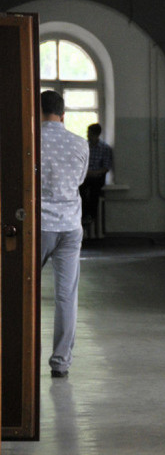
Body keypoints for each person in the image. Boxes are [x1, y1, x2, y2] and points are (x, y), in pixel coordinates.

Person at [40, 90, 90, 378]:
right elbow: (79, 180)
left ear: (38, 112)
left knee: (23, 291)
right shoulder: (80, 143)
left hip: (40, 227)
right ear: (63, 114)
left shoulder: (31, 142)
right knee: (66, 296)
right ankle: (60, 363)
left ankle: (19, 356)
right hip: (70, 226)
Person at [81, 123, 113, 239]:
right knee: (80, 190)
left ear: (96, 135)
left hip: (97, 176)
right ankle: (84, 215)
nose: (87, 136)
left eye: (89, 134)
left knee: (94, 192)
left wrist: (94, 173)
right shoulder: (85, 146)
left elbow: (106, 167)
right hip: (86, 175)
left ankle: (90, 215)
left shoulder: (105, 148)